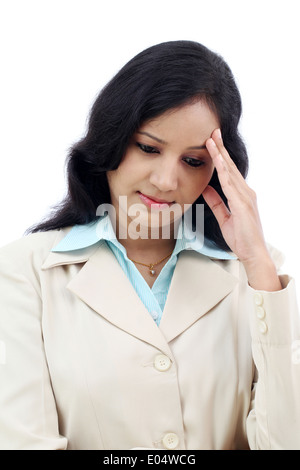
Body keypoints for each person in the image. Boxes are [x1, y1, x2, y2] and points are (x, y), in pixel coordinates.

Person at [0, 40, 299, 451]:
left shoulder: (260, 277)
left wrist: (260, 269)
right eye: (148, 148)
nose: (165, 181)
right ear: (112, 139)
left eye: (193, 161)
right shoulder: (24, 271)